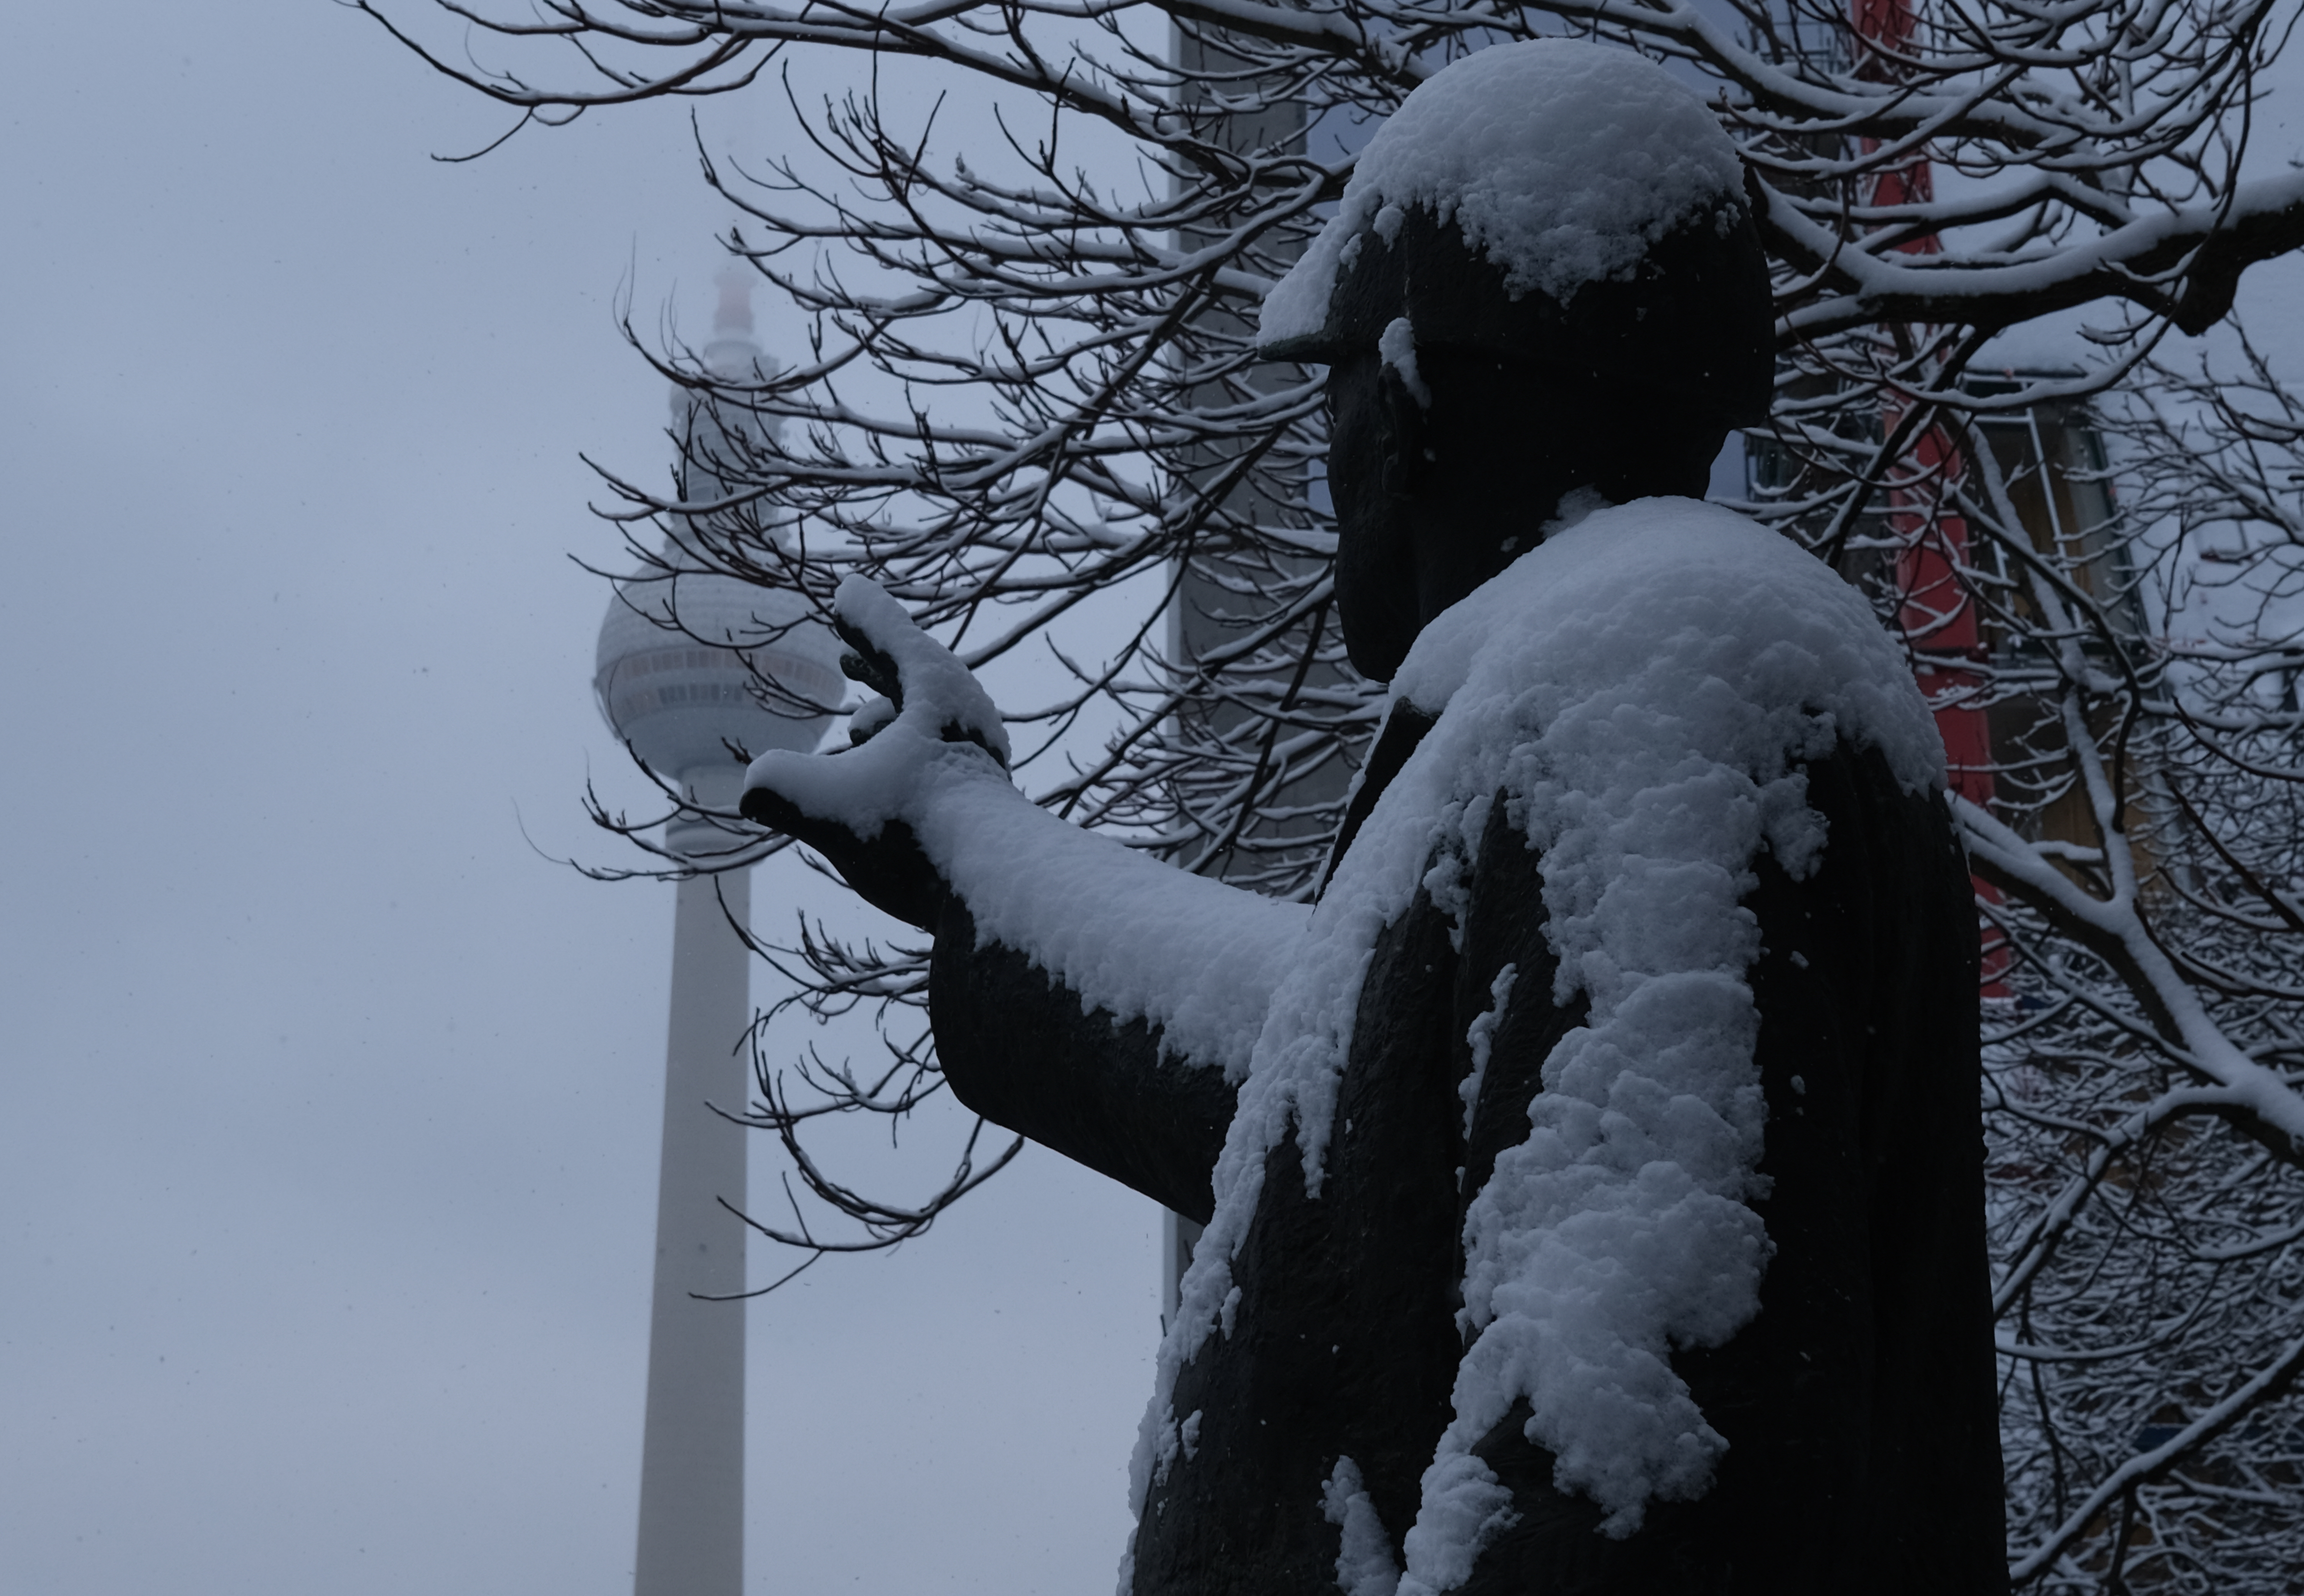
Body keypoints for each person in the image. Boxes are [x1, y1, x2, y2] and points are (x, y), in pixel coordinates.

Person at [742, 40, 2006, 1596]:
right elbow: (1327, 1105)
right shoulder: (1588, 700)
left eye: (1329, 390)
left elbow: (1629, 1468)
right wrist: (969, 845)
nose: (1323, 455)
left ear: (1402, 400)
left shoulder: (1649, 680)